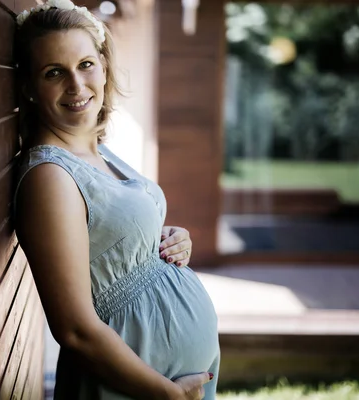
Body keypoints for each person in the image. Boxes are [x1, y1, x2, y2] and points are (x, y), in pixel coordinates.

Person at [12, 1, 220, 399]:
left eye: (86, 64)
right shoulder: (49, 178)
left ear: (104, 67)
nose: (76, 85)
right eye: (54, 72)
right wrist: (168, 394)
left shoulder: (97, 152)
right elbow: (74, 330)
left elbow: (106, 241)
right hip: (134, 388)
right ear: (29, 88)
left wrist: (169, 241)